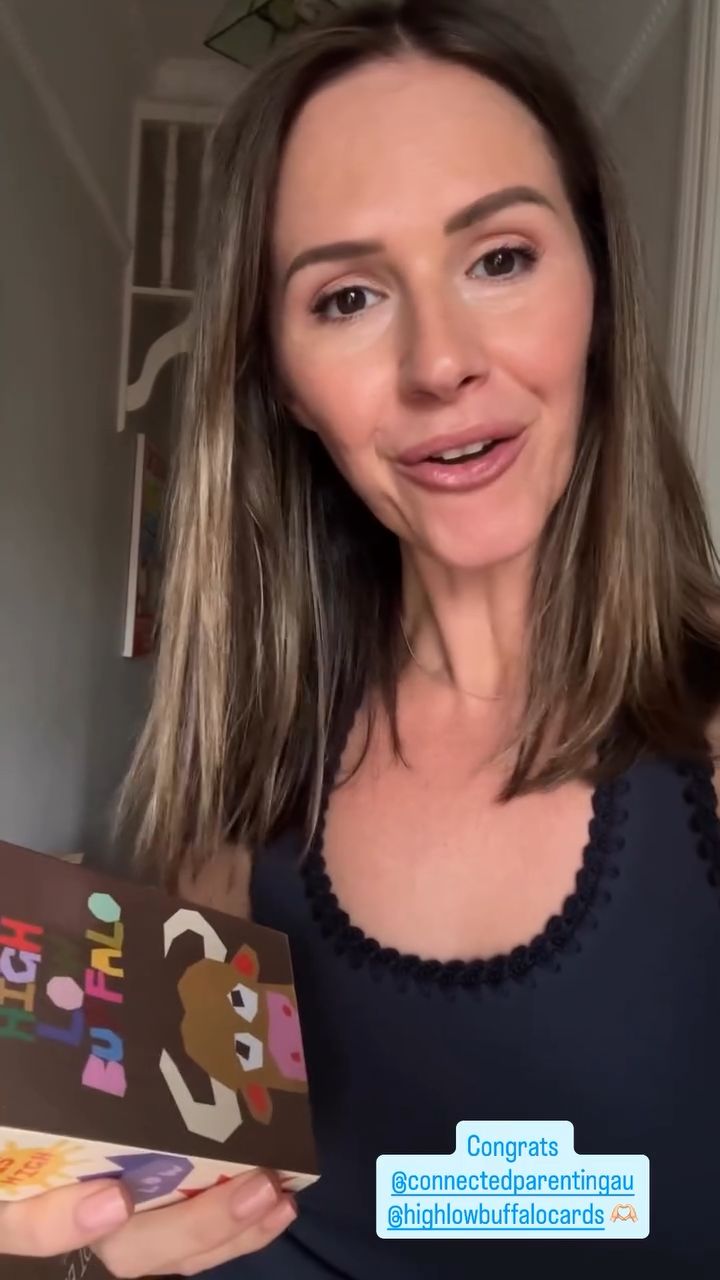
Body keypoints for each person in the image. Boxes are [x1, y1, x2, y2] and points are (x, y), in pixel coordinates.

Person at [5, 0, 720, 1274]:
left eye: (500, 257)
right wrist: (91, 1235)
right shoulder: (247, 768)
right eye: (346, 295)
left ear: (598, 289)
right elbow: (188, 1176)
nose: (441, 360)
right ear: (284, 380)